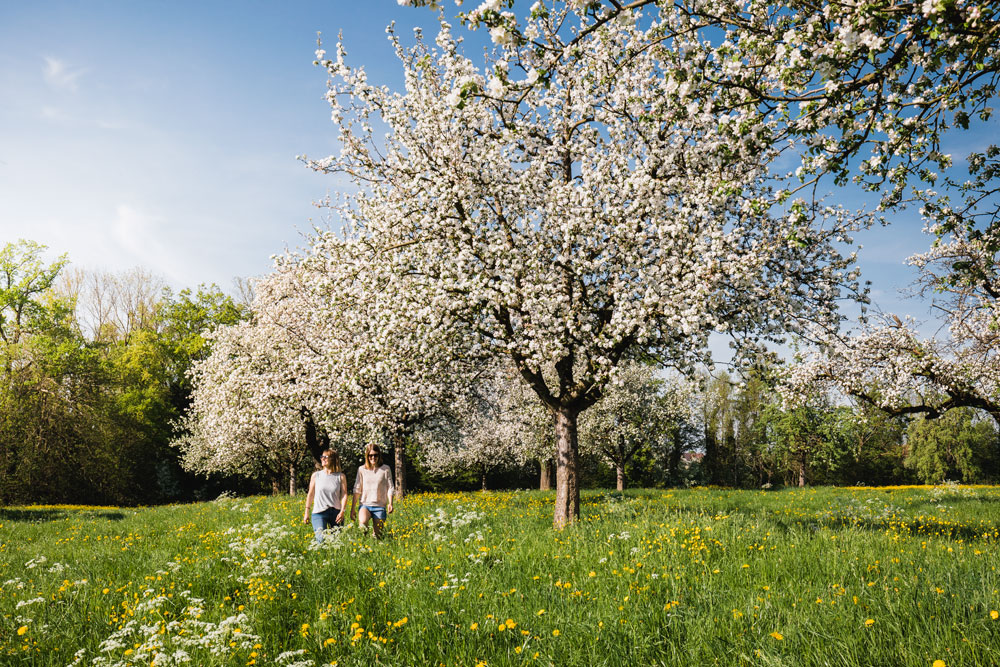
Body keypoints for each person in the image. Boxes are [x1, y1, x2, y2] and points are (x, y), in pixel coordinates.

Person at [303, 449, 348, 543]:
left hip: (336, 513)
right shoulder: (316, 475)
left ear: (333, 459)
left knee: (336, 542)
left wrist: (342, 511)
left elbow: (344, 494)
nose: (322, 459)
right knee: (321, 540)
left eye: (325, 457)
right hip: (319, 512)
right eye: (322, 457)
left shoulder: (340, 476)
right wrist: (307, 511)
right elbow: (310, 494)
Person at [351, 443, 394, 539]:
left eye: (375, 455)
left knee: (378, 536)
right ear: (367, 456)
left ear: (379, 455)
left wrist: (390, 503)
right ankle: (364, 542)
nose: (373, 457)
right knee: (362, 523)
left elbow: (390, 487)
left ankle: (375, 547)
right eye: (370, 455)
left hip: (379, 506)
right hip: (365, 504)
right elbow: (357, 489)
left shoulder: (385, 469)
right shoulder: (361, 469)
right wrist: (353, 508)